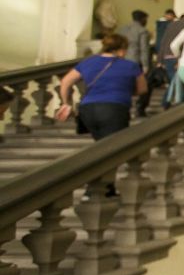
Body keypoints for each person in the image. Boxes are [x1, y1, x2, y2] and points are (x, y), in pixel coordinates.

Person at [56, 34, 147, 197]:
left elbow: (65, 82)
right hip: (114, 109)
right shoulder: (131, 66)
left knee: (102, 148)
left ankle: (107, 187)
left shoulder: (88, 62)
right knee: (111, 151)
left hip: (88, 110)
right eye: (125, 49)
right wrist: (124, 90)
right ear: (120, 50)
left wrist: (66, 103)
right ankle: (94, 189)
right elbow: (142, 89)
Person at [118, 10, 152, 116]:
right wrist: (146, 65)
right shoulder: (142, 31)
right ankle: (140, 108)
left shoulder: (122, 29)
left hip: (120, 61)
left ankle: (123, 109)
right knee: (146, 85)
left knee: (123, 86)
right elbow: (144, 49)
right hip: (135, 62)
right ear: (143, 19)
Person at [158, 13, 184, 108]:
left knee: (174, 81)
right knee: (181, 82)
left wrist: (160, 60)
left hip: (167, 56)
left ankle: (166, 103)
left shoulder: (172, 25)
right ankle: (180, 106)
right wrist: (179, 59)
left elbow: (163, 41)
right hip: (179, 57)